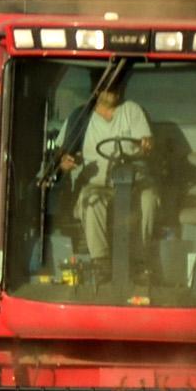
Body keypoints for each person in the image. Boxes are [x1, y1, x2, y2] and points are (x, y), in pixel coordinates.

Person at [62, 74, 158, 283]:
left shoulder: (132, 110)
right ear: (97, 91)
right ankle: (101, 262)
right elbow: (61, 156)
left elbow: (146, 141)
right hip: (97, 183)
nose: (116, 91)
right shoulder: (80, 117)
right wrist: (65, 163)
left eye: (118, 87)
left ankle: (141, 261)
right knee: (91, 200)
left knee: (149, 200)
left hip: (134, 181)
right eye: (110, 88)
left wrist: (147, 144)